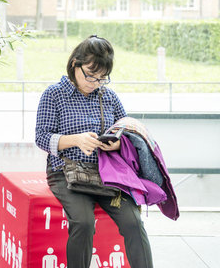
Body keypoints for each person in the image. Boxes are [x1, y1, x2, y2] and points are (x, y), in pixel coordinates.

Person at [35, 35, 153, 268]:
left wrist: (117, 144)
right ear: (74, 64)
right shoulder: (54, 94)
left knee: (134, 222)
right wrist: (76, 140)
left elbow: (125, 131)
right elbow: (41, 137)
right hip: (66, 173)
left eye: (102, 78)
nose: (95, 82)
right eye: (90, 74)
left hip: (106, 173)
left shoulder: (108, 96)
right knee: (84, 222)